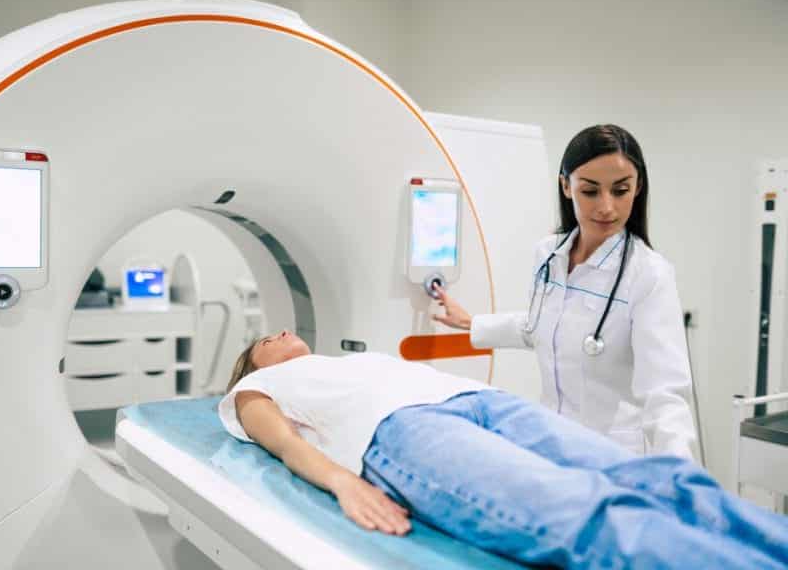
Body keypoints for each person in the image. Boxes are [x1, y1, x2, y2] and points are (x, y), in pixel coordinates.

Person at [219, 330, 788, 570]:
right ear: (250, 367)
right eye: (263, 340)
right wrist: (344, 482)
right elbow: (286, 444)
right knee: (590, 512)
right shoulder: (253, 392)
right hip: (404, 432)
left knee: (662, 479)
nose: (277, 333)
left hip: (480, 399)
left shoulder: (348, 360)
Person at [434, 124, 696, 459]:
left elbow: (665, 393)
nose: (607, 207)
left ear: (638, 187)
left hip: (615, 457)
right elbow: (542, 326)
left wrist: (680, 473)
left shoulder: (648, 274)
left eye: (620, 190)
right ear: (566, 186)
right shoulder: (548, 255)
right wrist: (474, 323)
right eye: (590, 191)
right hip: (552, 444)